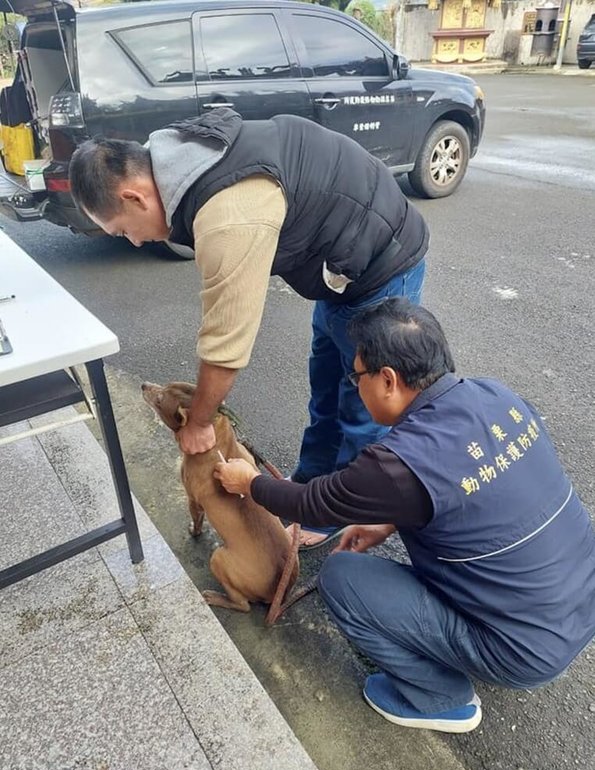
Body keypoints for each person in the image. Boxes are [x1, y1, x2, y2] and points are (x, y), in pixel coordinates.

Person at [214, 297, 595, 734]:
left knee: (342, 577)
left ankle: (441, 698)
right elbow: (480, 488)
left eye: (356, 376)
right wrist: (391, 518)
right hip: (581, 606)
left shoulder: (396, 462)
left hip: (524, 653)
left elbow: (310, 503)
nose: (355, 385)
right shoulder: (496, 396)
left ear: (389, 380)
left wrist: (249, 483)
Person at [68, 109, 428, 546]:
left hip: (382, 259)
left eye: (123, 230)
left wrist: (199, 423)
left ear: (135, 197)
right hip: (340, 264)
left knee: (363, 408)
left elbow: (226, 342)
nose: (136, 241)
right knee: (328, 388)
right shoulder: (179, 152)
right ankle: (310, 486)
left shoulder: (228, 212)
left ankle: (343, 515)